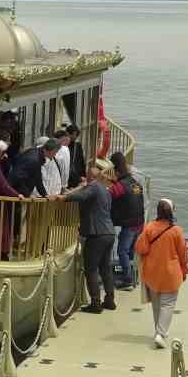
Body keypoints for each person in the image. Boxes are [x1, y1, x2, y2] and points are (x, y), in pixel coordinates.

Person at [56, 161, 116, 313]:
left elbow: (82, 196)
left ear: (90, 177)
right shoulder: (105, 189)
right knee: (105, 268)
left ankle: (95, 303)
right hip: (109, 232)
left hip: (96, 234)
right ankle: (109, 300)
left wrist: (63, 198)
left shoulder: (93, 187)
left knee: (91, 268)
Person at [135, 199, 188, 348]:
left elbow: (140, 248)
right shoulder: (176, 230)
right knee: (168, 304)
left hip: (152, 273)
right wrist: (184, 270)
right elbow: (183, 254)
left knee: (157, 304)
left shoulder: (149, 228)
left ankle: (159, 332)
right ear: (172, 212)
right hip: (171, 273)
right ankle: (160, 333)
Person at [110, 151, 146, 290]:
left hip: (129, 224)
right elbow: (126, 190)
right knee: (130, 250)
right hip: (139, 222)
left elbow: (109, 195)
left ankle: (127, 280)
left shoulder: (119, 186)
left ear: (116, 170)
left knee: (121, 251)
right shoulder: (134, 183)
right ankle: (131, 275)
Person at [65, 124, 87, 190]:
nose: (75, 137)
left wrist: (83, 176)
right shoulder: (64, 147)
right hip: (70, 178)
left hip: (77, 178)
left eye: (77, 135)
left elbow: (82, 162)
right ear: (68, 134)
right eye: (74, 135)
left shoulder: (78, 146)